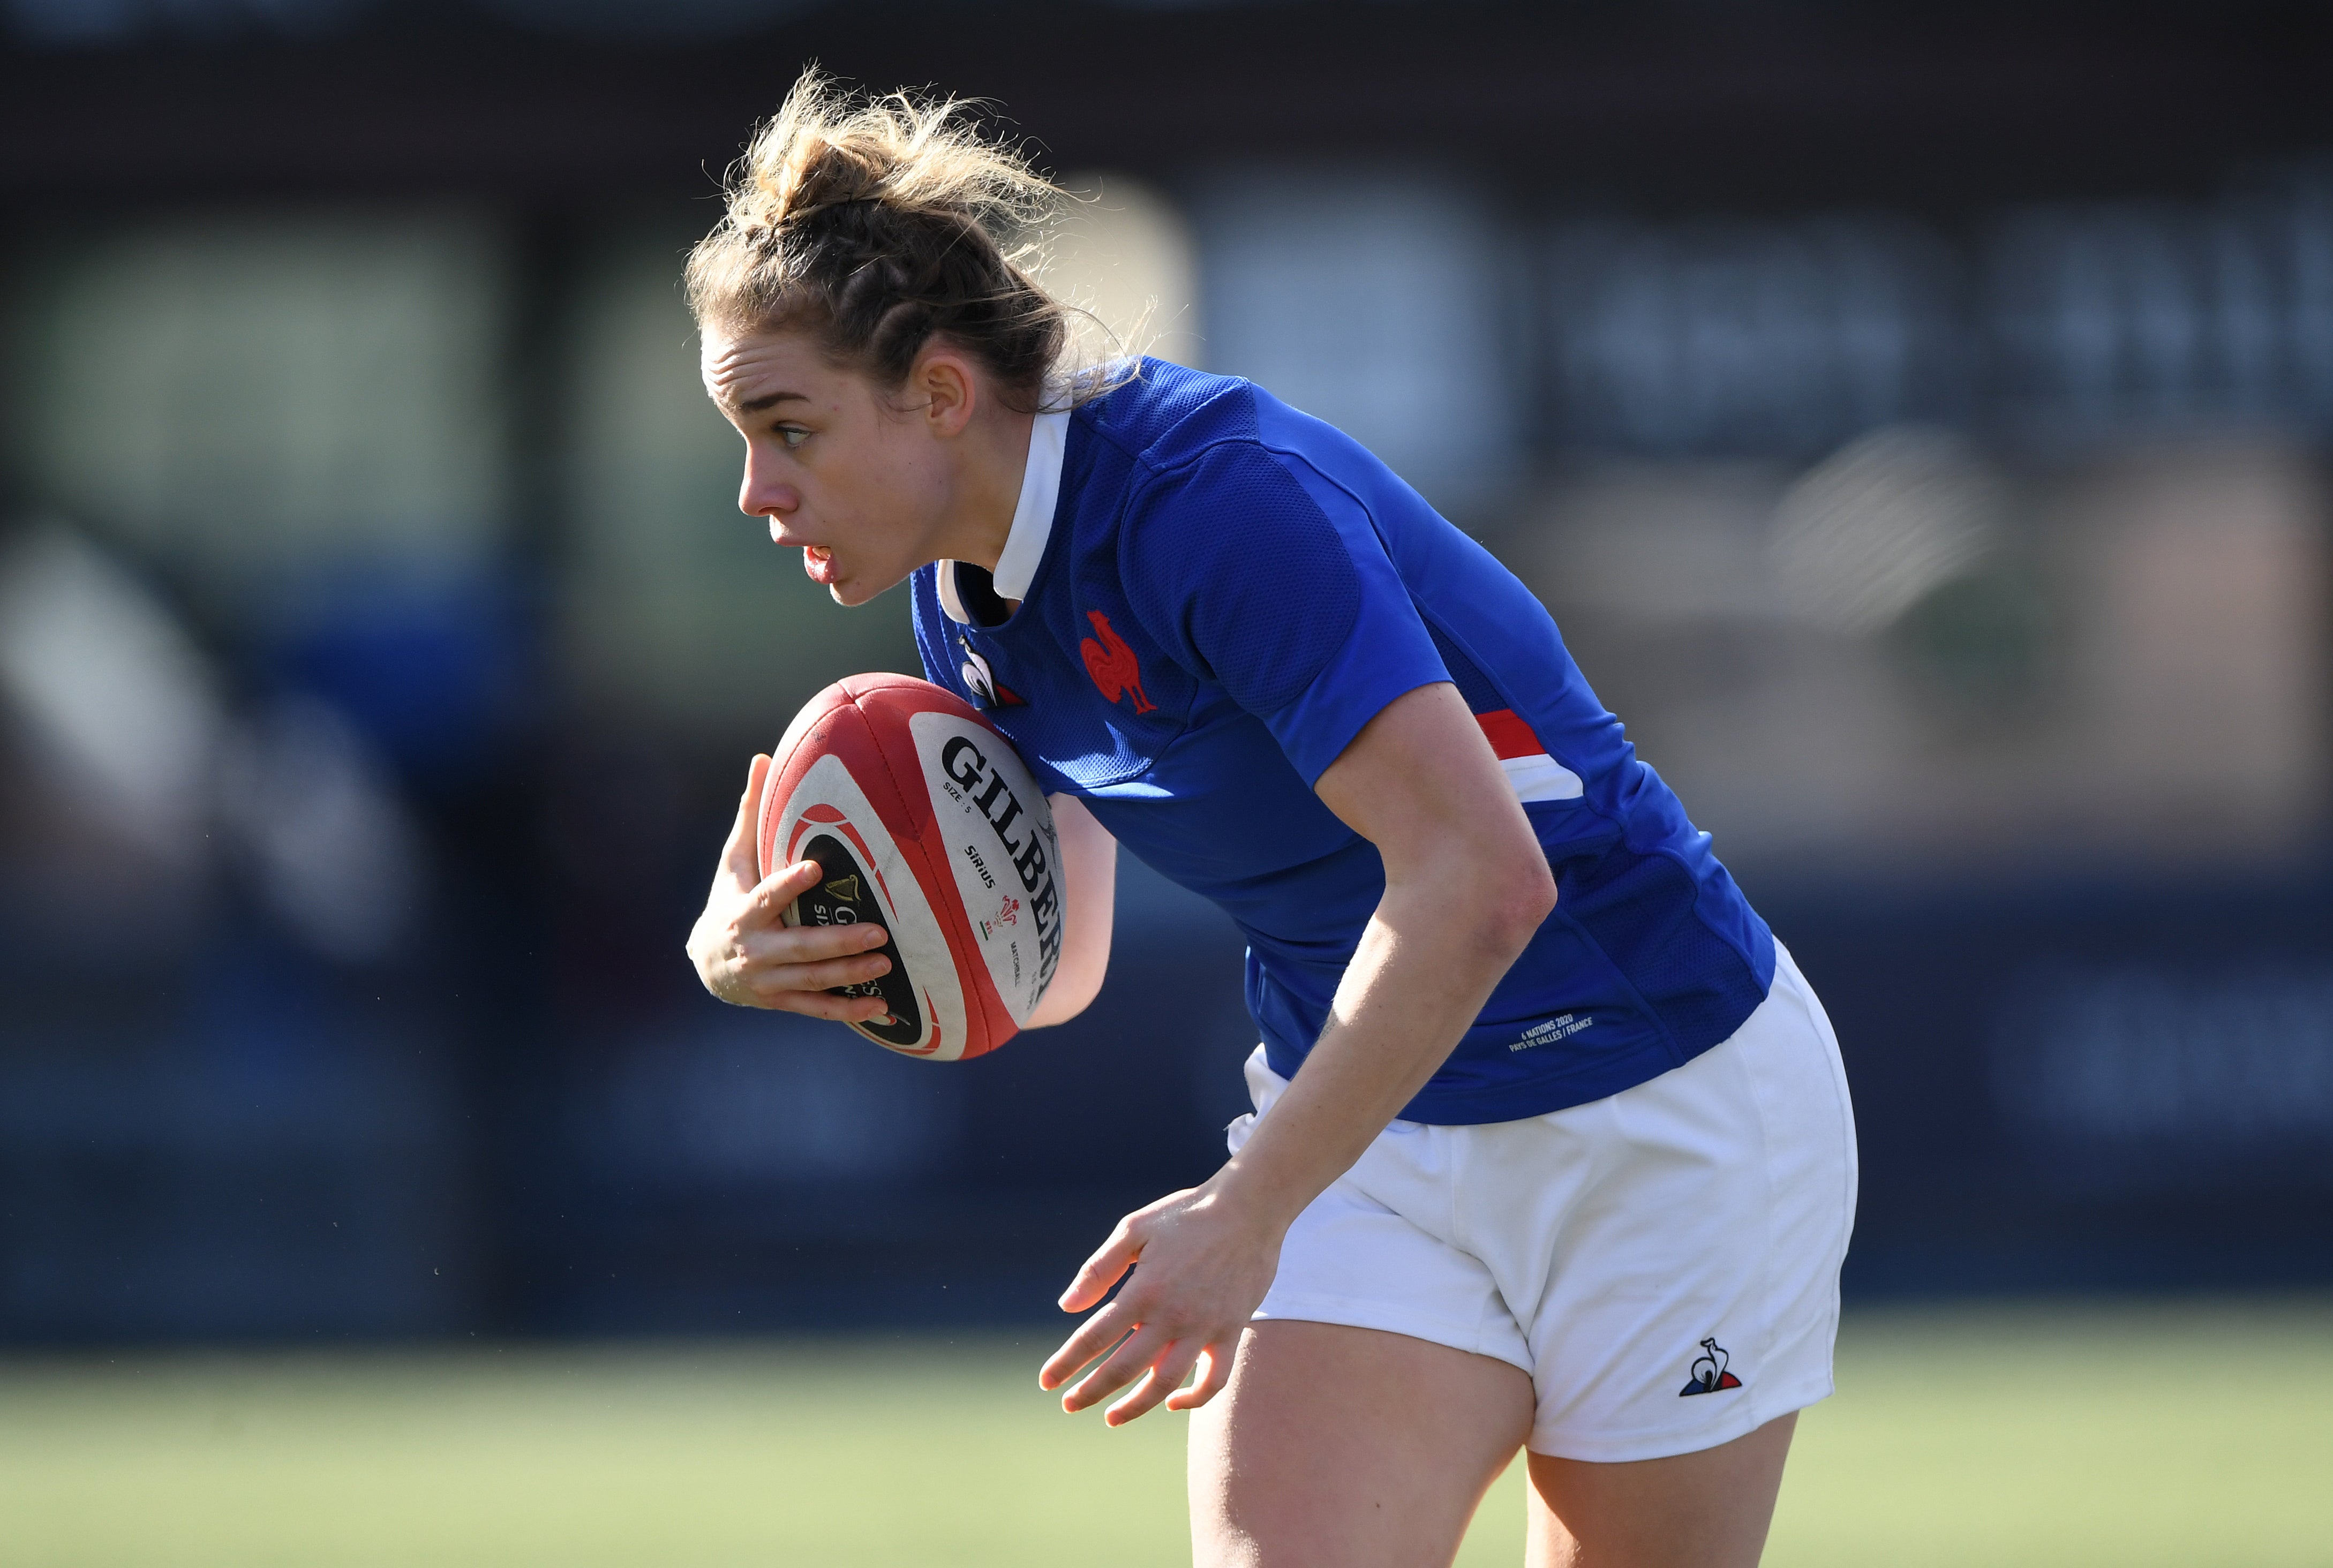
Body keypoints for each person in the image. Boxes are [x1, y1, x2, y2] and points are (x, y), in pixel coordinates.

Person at [684, 71, 1856, 1568]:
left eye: (786, 428)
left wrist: (1244, 1214)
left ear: (938, 394)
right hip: (1371, 1131)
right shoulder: (960, 597)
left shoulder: (1211, 504)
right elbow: (1051, 968)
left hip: (1657, 1106)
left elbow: (1482, 887)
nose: (753, 489)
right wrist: (780, 942)